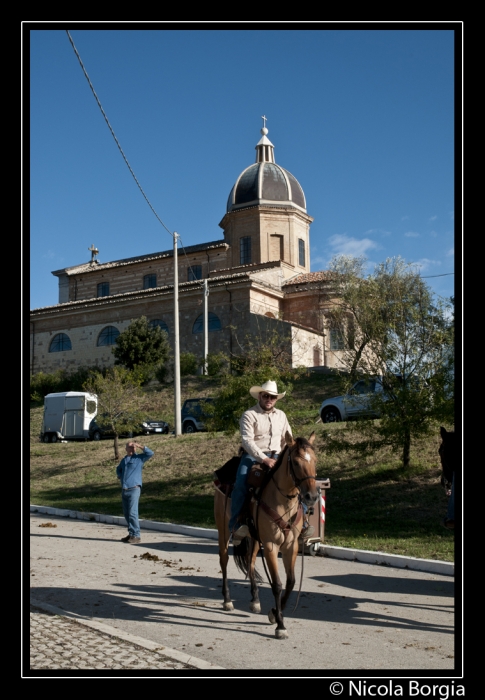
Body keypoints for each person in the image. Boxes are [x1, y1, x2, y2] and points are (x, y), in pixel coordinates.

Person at [229, 380, 313, 542]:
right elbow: (247, 441)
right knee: (241, 482)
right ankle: (235, 526)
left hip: (279, 455)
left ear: (276, 399)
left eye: (272, 397)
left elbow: (288, 439)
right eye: (266, 396)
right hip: (252, 455)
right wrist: (264, 459)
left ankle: (302, 524)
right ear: (259, 396)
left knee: (297, 480)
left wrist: (289, 454)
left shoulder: (281, 415)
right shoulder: (249, 415)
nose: (269, 399)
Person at [116, 441, 154, 544]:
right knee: (127, 513)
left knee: (133, 513)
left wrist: (140, 446)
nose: (132, 448)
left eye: (134, 447)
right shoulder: (124, 460)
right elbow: (118, 469)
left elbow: (151, 453)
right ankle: (131, 533)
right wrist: (119, 475)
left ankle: (136, 536)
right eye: (130, 447)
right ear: (126, 449)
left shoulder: (139, 458)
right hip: (125, 489)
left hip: (134, 489)